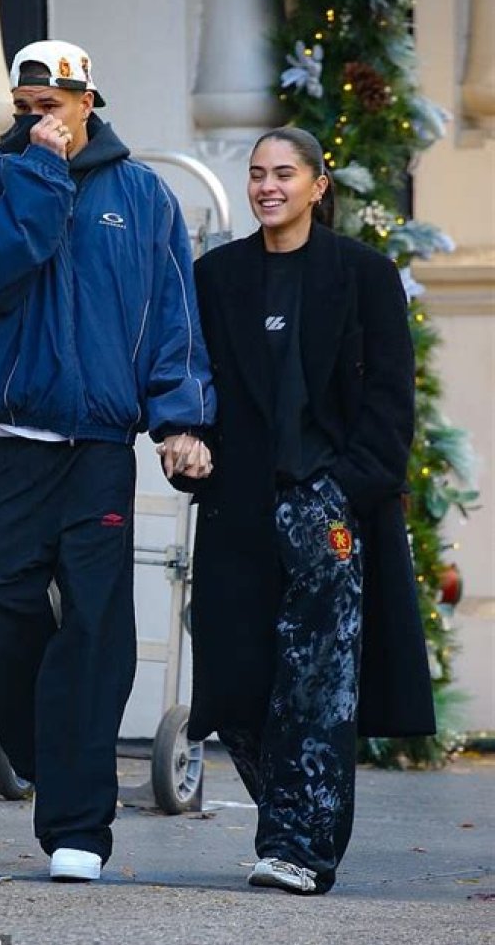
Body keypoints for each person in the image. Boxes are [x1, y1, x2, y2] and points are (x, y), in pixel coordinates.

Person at [0, 40, 215, 882]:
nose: (38, 119)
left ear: (88, 100)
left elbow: (173, 314)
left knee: (95, 632)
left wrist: (179, 419)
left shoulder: (144, 196)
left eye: (51, 106)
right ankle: (46, 755)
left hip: (98, 452)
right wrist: (41, 172)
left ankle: (79, 830)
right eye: (25, 108)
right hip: (9, 447)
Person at [169, 126, 435, 895]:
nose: (267, 186)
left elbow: (391, 400)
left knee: (319, 686)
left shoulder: (365, 275)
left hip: (329, 509)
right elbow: (195, 382)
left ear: (319, 186)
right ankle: (289, 824)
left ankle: (300, 848)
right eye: (257, 173)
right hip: (239, 507)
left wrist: (344, 489)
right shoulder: (215, 277)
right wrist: (187, 440)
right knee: (236, 682)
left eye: (284, 173)